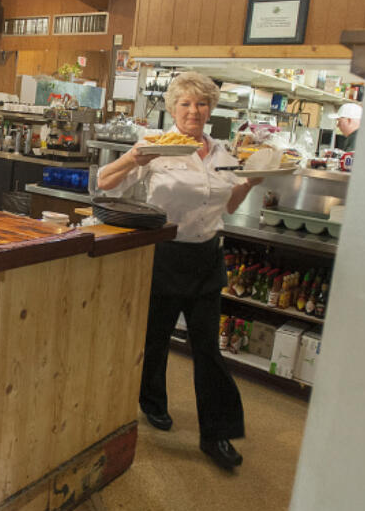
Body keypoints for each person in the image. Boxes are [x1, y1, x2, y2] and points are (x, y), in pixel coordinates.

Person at [96, 72, 260, 471]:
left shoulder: (223, 153)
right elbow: (104, 183)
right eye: (185, 104)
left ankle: (216, 435)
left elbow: (230, 206)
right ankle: (153, 403)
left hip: (207, 258)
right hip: (163, 254)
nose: (193, 111)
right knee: (154, 340)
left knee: (208, 349)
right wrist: (134, 158)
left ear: (211, 109)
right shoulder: (155, 145)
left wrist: (253, 179)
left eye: (201, 103)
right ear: (172, 109)